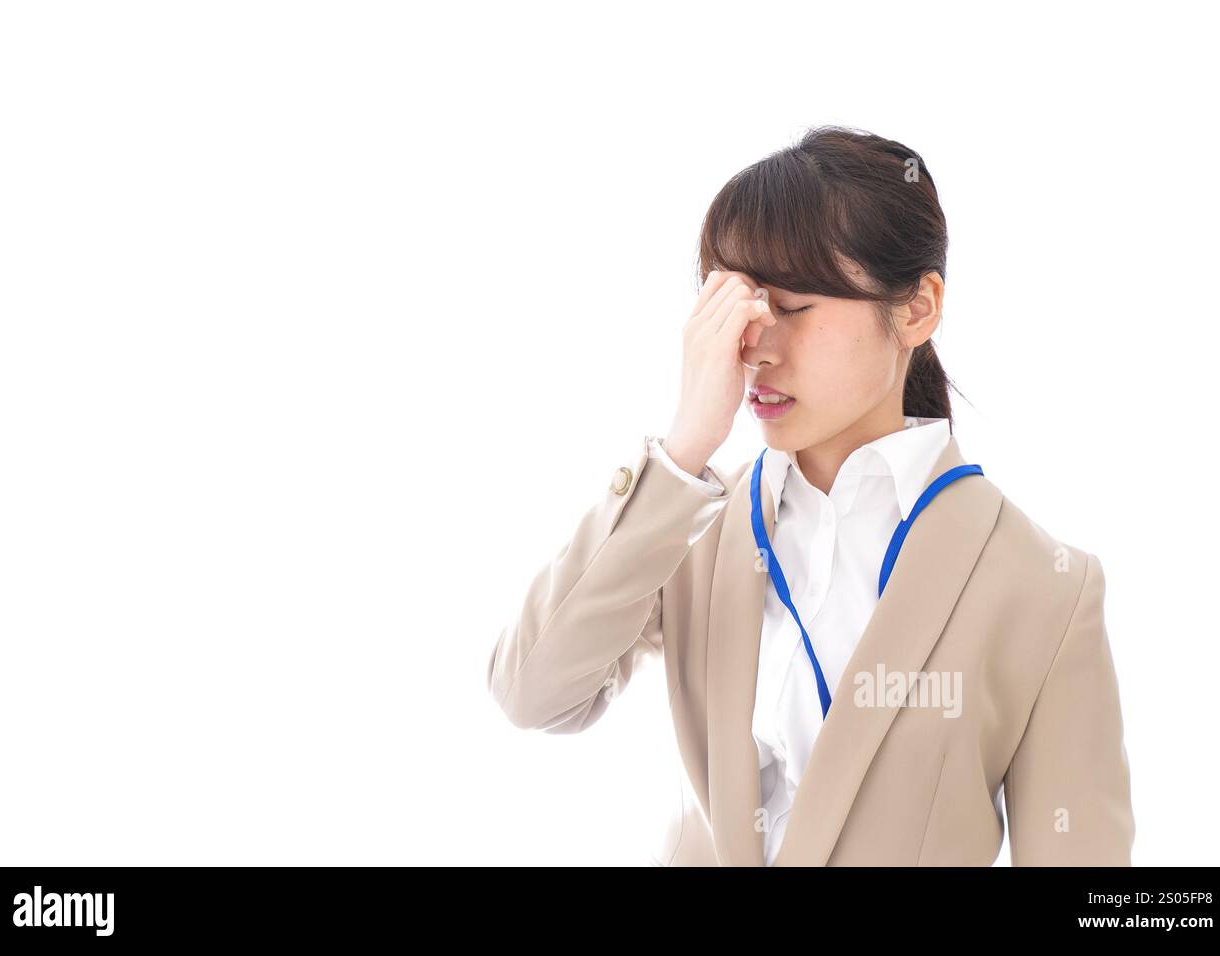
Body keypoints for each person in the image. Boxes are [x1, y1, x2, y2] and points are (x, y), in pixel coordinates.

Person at [485, 125, 1135, 866]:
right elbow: (532, 694)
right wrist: (685, 448)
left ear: (918, 309)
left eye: (791, 308)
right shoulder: (692, 526)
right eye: (736, 309)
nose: (757, 345)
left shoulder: (1043, 586)